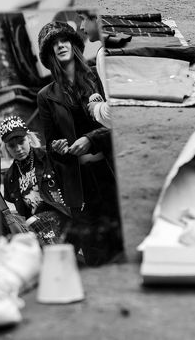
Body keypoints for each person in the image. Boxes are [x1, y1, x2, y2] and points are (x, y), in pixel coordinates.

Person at [35, 21, 122, 265]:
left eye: (64, 40)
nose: (60, 45)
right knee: (95, 254)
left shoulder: (98, 76)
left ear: (74, 44)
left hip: (111, 174)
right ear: (49, 54)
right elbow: (50, 143)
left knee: (123, 244)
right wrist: (58, 148)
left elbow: (119, 119)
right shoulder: (45, 96)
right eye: (53, 44)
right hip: (79, 186)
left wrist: (90, 140)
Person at [0, 115, 74, 245]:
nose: (18, 149)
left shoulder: (48, 157)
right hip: (37, 231)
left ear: (29, 138)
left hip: (64, 219)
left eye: (21, 141)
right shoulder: (9, 177)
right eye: (12, 145)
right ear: (6, 148)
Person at [79, 10, 112, 128]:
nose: (81, 27)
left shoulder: (104, 54)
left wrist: (96, 108)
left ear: (97, 18)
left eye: (83, 19)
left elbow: (113, 112)